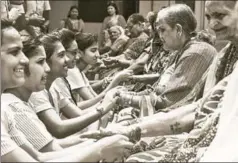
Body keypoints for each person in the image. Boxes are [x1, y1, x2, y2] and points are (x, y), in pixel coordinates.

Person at [81, 1, 238, 161]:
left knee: (127, 150)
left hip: (204, 138)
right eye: (208, 17)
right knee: (117, 134)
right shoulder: (222, 53)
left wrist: (127, 102)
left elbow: (172, 102)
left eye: (220, 15)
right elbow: (201, 107)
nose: (211, 24)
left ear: (178, 29)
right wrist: (133, 127)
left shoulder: (198, 51)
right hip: (193, 129)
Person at [0, 19, 133, 163]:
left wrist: (100, 140)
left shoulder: (7, 107)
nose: (24, 60)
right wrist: (99, 148)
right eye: (14, 52)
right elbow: (57, 134)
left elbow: (40, 157)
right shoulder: (12, 105)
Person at [115, 4, 216, 115]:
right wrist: (126, 94)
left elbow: (169, 102)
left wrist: (124, 99)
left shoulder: (196, 52)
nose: (160, 36)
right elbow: (157, 89)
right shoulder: (183, 50)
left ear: (178, 29)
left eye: (162, 30)